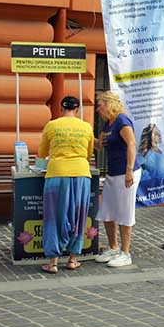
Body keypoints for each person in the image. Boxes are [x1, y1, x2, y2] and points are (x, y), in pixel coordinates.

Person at [38, 96, 94, 273]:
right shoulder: (86, 127)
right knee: (78, 216)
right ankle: (72, 259)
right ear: (77, 110)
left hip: (57, 173)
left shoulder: (52, 125)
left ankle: (53, 263)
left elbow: (41, 153)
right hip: (81, 174)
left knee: (54, 216)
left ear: (61, 109)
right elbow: (89, 153)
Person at [95, 91, 141, 268]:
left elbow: (131, 144)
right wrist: (81, 133)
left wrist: (129, 170)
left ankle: (126, 253)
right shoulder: (108, 123)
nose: (98, 109)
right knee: (107, 211)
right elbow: (99, 145)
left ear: (109, 104)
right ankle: (113, 247)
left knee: (124, 212)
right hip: (112, 173)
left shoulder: (122, 120)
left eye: (100, 105)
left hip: (126, 173)